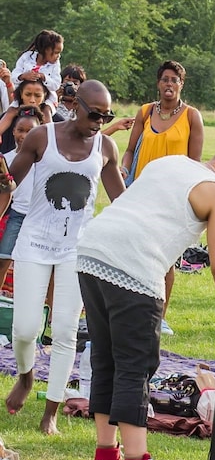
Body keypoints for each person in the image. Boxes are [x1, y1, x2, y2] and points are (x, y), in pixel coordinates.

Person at [77, 134, 215, 460]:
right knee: (135, 365)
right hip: (134, 265)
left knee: (105, 359)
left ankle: (106, 457)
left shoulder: (170, 162)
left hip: (91, 250)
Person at [2, 80, 126, 434]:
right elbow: (12, 182)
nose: (100, 121)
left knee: (65, 331)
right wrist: (2, 180)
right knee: (24, 330)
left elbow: (121, 199)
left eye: (107, 115)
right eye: (95, 113)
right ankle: (26, 377)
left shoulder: (106, 147)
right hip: (35, 241)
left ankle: (50, 412)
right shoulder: (43, 137)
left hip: (77, 249)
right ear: (76, 106)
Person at [121, 61, 204, 336]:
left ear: (182, 84)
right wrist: (123, 171)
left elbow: (195, 163)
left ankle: (160, 317)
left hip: (173, 196)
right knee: (135, 253)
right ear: (158, 83)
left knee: (165, 257)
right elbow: (130, 150)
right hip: (142, 192)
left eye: (175, 80)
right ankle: (132, 310)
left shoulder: (192, 117)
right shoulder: (145, 112)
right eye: (165, 79)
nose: (169, 84)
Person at [0, 108, 44, 289]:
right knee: (3, 258)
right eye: (21, 130)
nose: (25, 135)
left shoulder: (45, 159)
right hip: (17, 216)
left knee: (37, 263)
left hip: (39, 217)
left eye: (30, 131)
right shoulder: (7, 159)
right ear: (13, 131)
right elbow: (6, 192)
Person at [10, 30, 63, 110]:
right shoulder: (26, 57)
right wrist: (23, 76)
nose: (58, 56)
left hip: (46, 99)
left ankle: (48, 123)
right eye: (56, 52)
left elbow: (56, 84)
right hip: (23, 97)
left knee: (46, 111)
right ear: (45, 50)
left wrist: (44, 77)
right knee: (10, 111)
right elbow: (13, 76)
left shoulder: (55, 65)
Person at [0, 80, 52, 152]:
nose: (32, 100)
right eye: (28, 94)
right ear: (21, 94)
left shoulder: (55, 120)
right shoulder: (6, 119)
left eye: (37, 96)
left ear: (44, 95)